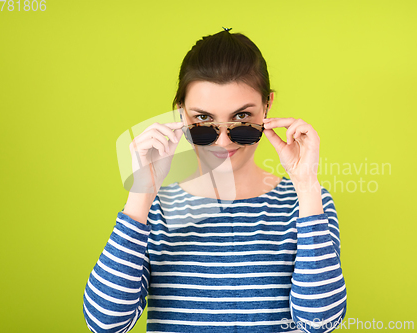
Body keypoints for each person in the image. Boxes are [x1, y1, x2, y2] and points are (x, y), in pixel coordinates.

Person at [83, 28, 347, 333]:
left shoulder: (305, 203)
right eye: (204, 122)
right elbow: (105, 323)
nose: (223, 143)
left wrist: (306, 185)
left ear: (268, 107)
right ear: (181, 115)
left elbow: (321, 322)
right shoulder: (154, 209)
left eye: (242, 120)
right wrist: (142, 193)